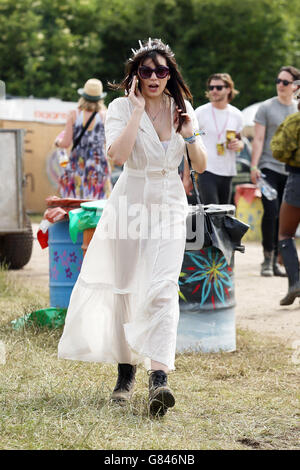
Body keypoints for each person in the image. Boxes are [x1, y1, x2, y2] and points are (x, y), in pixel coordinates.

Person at [58, 38, 207, 416]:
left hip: (170, 204)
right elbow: (118, 157)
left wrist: (189, 132)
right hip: (130, 201)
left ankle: (160, 378)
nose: (155, 77)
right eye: (146, 71)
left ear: (170, 74)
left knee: (162, 287)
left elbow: (201, 165)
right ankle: (125, 375)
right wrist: (138, 112)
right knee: (125, 288)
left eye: (162, 70)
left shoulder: (182, 108)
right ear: (136, 76)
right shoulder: (121, 107)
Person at [250, 66, 300, 277]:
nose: (280, 85)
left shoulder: (297, 110)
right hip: (268, 167)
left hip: (291, 171)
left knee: (283, 216)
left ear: (296, 86)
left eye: (285, 82)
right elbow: (259, 139)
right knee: (270, 212)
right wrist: (254, 166)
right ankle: (267, 259)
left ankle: (281, 261)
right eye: (278, 80)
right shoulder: (266, 107)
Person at [55, 78, 112, 199]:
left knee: (76, 202)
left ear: (83, 96)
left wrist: (57, 142)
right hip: (98, 164)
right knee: (98, 204)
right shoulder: (105, 115)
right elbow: (108, 141)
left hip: (77, 164)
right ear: (100, 98)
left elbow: (65, 143)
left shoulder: (73, 114)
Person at [270, 80, 300, 305]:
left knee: (285, 234)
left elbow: (279, 150)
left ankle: (295, 282)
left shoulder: (294, 121)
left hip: (297, 180)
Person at [194, 73, 244, 205]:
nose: (214, 91)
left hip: (228, 170)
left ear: (228, 89)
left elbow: (241, 142)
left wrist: (238, 145)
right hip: (206, 169)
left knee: (224, 214)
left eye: (218, 87)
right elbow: (190, 142)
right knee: (212, 212)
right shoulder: (200, 112)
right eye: (211, 88)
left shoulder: (237, 114)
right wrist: (188, 174)